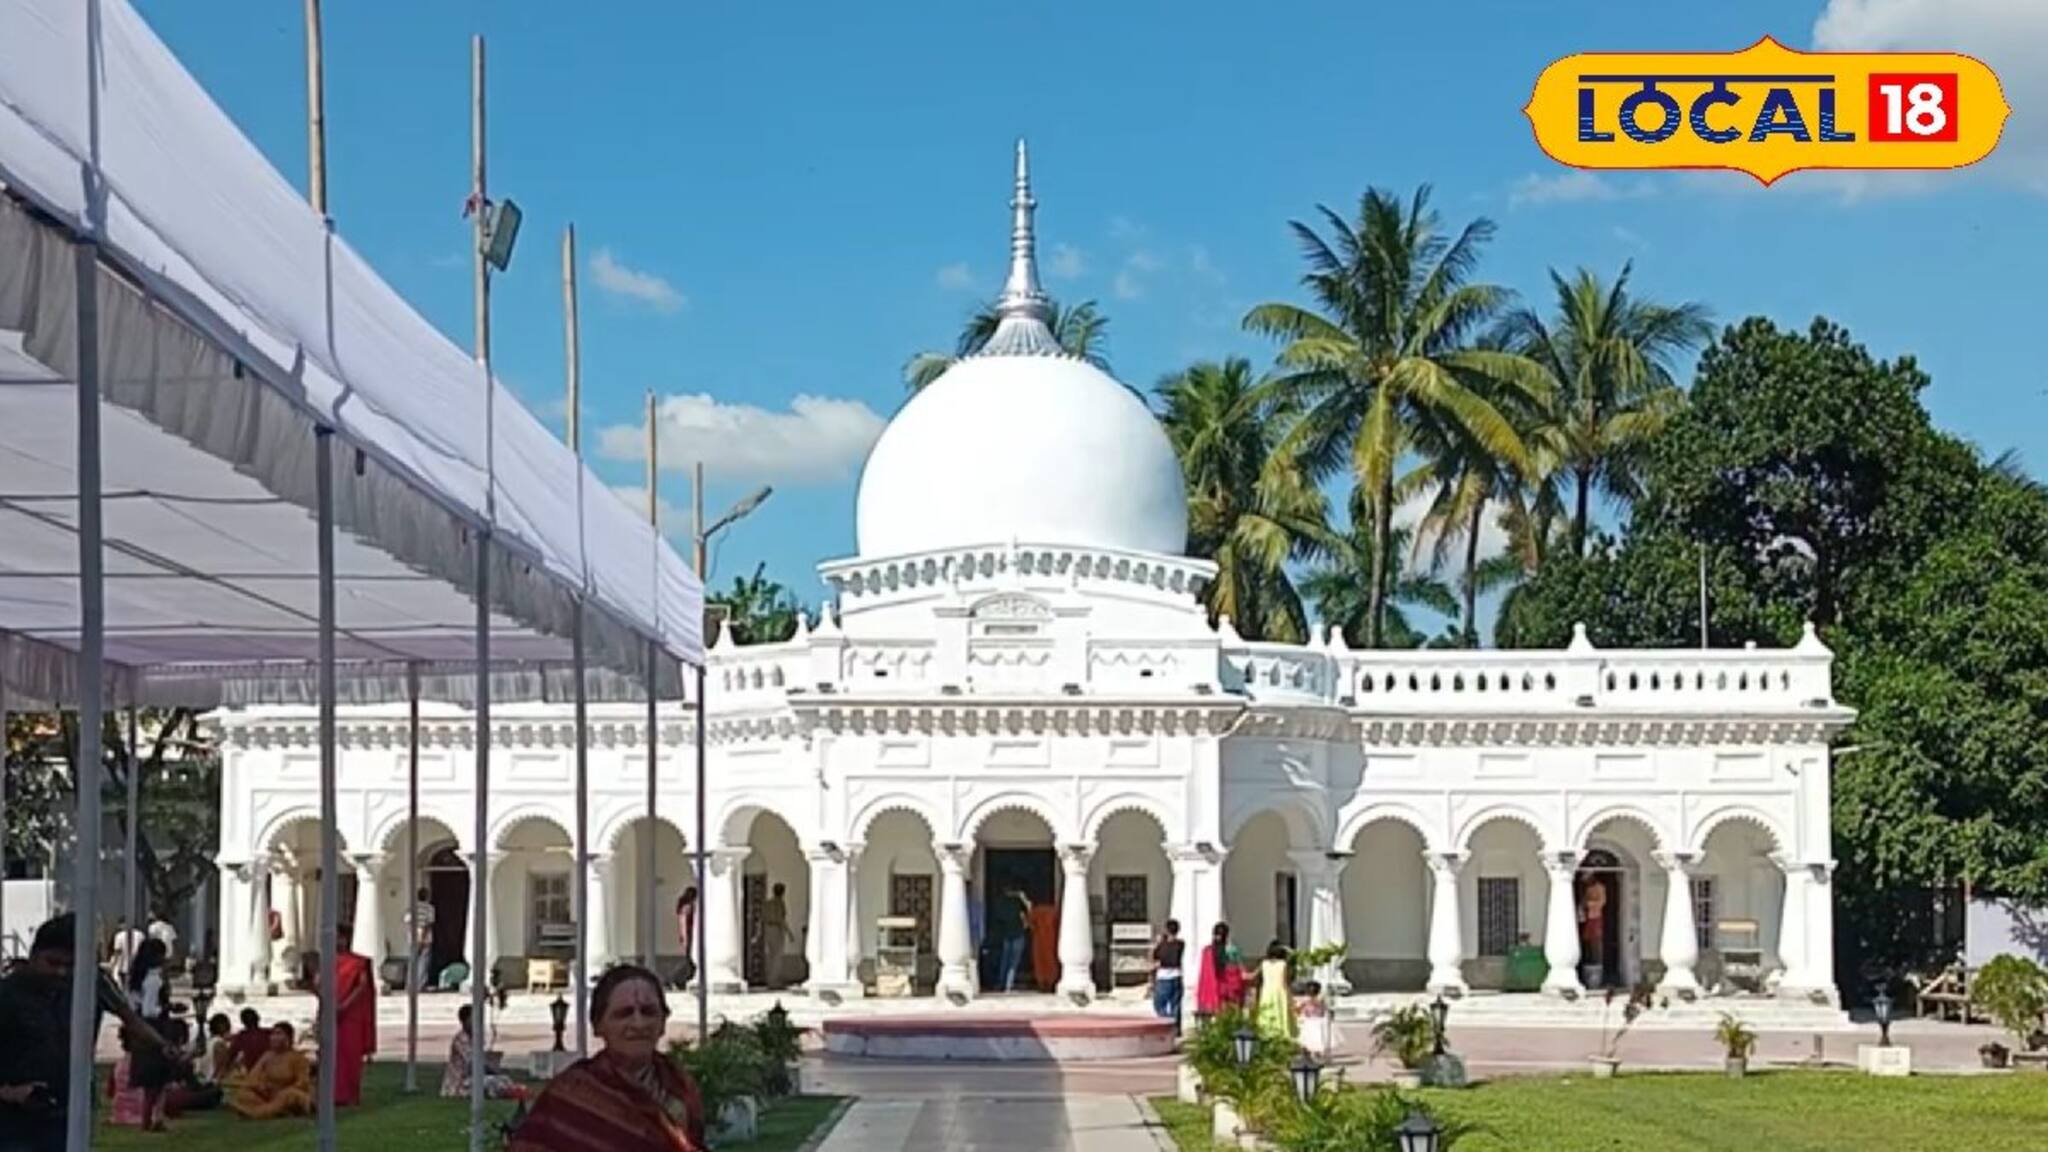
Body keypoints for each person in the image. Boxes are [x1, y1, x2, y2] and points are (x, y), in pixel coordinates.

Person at [0, 913, 161, 1152]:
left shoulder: (91, 984)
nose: (62, 973)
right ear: (34, 956)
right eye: (53, 963)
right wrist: (11, 1092)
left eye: (71, 965)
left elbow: (131, 1020)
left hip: (71, 1111)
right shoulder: (8, 994)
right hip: (15, 1122)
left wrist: (166, 1049)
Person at [507, 964, 707, 1152]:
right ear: (598, 1026)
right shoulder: (571, 1095)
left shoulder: (679, 1085)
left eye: (649, 1012)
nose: (638, 1024)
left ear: (663, 1023)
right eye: (624, 1014)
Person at [321, 922, 377, 1107]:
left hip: (350, 1016)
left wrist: (345, 1005)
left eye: (340, 937)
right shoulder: (327, 960)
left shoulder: (358, 962)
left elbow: (362, 987)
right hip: (331, 1013)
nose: (338, 941)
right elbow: (320, 985)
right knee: (331, 1055)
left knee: (350, 1057)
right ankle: (333, 1094)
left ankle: (350, 1094)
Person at [124, 938, 175, 1131]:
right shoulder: (154, 979)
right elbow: (150, 1009)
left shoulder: (137, 978)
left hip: (140, 1029)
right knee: (157, 1077)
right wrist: (167, 1007)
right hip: (154, 1027)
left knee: (151, 1079)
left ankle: (151, 1118)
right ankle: (152, 1118)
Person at [228, 1023, 311, 1120]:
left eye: (278, 1034)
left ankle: (257, 1113)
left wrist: (283, 1090)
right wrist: (260, 1086)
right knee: (244, 1094)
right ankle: (276, 1111)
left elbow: (303, 1082)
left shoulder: (297, 1057)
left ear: (288, 1037)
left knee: (289, 1095)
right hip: (269, 1096)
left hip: (289, 1095)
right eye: (272, 1034)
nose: (273, 1037)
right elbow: (253, 1077)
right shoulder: (267, 1056)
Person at [441, 1004, 525, 1100]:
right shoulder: (461, 1039)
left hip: (473, 1077)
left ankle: (513, 1092)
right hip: (460, 1082)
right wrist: (491, 1069)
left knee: (504, 1079)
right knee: (490, 1082)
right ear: (465, 1021)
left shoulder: (475, 1038)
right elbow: (472, 1063)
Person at [1194, 922, 1246, 1015]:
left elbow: (1204, 975)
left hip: (1211, 991)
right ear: (1227, 935)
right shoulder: (1231, 950)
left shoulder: (1207, 951)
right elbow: (1238, 970)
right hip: (1228, 988)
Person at [1252, 940, 1296, 1040]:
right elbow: (1285, 982)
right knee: (1280, 1012)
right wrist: (1290, 997)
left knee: (1267, 1012)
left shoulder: (1264, 963)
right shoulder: (1283, 964)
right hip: (1279, 992)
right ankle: (1281, 1035)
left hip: (1267, 992)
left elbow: (1253, 975)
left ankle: (1266, 1033)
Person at [1151, 919, 1186, 1031]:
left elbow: (1155, 957)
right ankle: (1176, 1028)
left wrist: (1159, 942)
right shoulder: (1181, 944)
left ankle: (1167, 1023)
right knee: (1176, 1005)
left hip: (1164, 977)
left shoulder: (1162, 945)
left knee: (1159, 1004)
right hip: (1177, 976)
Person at [756, 883, 792, 990]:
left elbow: (761, 919)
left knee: (771, 955)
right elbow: (781, 919)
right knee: (777, 956)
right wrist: (789, 933)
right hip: (777, 929)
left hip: (768, 929)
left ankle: (770, 980)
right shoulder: (780, 903)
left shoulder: (767, 903)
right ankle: (774, 981)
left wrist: (758, 934)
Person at [996, 888, 1031, 993]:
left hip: (1007, 935)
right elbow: (1030, 911)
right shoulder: (1018, 904)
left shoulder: (1002, 904)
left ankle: (1001, 983)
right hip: (1018, 935)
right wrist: (1023, 897)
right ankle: (1008, 986)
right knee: (1013, 963)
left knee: (1005, 961)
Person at [406, 888, 437, 993]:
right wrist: (423, 936)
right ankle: (420, 985)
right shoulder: (429, 908)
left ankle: (410, 985)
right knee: (423, 962)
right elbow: (429, 923)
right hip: (426, 938)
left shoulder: (412, 908)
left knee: (412, 961)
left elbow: (407, 921)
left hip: (413, 937)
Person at [226, 1007, 270, 1074]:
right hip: (270, 1071)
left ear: (242, 1022)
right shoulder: (269, 1033)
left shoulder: (241, 1037)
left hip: (253, 1072)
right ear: (258, 1018)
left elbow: (230, 1056)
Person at [1028, 897, 1058, 992]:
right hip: (1052, 939)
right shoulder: (1055, 911)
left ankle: (1042, 983)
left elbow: (1030, 924)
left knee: (1040, 962)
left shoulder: (1036, 911)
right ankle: (1051, 982)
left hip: (1039, 940)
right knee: (1051, 961)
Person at [673, 888, 699, 989]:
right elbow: (683, 923)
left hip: (689, 936)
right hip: (690, 936)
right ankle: (678, 980)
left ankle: (680, 981)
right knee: (690, 961)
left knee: (689, 961)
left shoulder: (684, 907)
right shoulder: (687, 908)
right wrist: (685, 938)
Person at [107, 917, 143, 986]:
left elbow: (117, 952)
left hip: (123, 967)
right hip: (137, 966)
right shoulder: (140, 935)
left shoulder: (119, 936)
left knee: (124, 986)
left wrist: (113, 966)